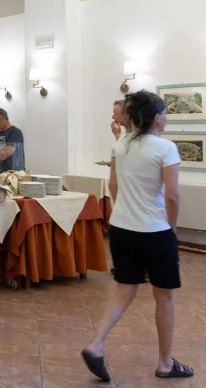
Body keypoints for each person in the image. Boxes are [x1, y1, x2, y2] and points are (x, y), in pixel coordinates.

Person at [81, 90, 193, 381]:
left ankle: (96, 344)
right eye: (165, 113)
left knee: (124, 290)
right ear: (156, 118)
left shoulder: (121, 145)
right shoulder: (166, 148)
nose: (166, 118)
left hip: (121, 228)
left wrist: (125, 210)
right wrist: (172, 228)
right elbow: (173, 196)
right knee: (164, 297)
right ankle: (165, 364)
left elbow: (113, 185)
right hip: (155, 231)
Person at [0, 107, 24, 174]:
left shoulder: (15, 132)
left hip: (15, 174)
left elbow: (6, 153)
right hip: (1, 174)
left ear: (3, 118)